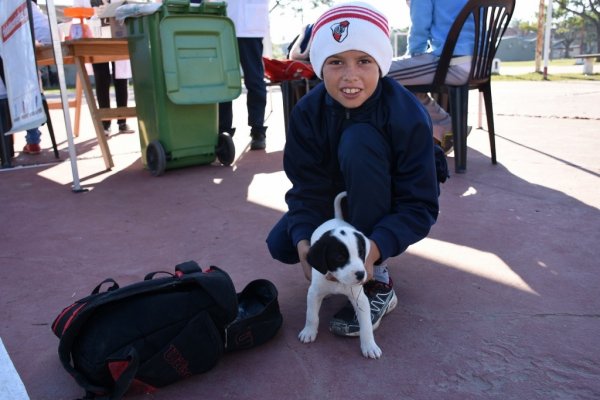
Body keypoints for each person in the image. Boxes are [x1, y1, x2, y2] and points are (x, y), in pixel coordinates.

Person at [266, 2, 439, 337]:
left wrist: (373, 250)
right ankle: (340, 251)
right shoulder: (306, 113)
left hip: (381, 196)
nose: (350, 75)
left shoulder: (407, 114)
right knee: (283, 243)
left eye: (364, 61)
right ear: (319, 66)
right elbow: (306, 187)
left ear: (381, 63)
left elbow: (419, 205)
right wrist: (304, 240)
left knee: (358, 140)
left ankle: (379, 281)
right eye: (335, 62)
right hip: (336, 197)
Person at [387, 0, 475, 153]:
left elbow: (419, 31)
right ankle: (446, 126)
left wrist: (412, 59)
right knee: (406, 81)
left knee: (378, 72)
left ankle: (445, 126)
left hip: (453, 63)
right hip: (479, 63)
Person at [218, 0, 269, 150]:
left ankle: (258, 130)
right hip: (223, 25)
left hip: (250, 28)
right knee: (224, 81)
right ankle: (223, 131)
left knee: (254, 80)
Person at [90, 0, 134, 136]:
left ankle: (122, 121)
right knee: (101, 78)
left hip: (118, 33)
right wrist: (93, 13)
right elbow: (76, 13)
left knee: (121, 79)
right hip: (96, 37)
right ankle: (105, 124)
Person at [22, 0, 52, 155]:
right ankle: (33, 139)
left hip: (27, 48)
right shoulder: (32, 6)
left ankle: (32, 139)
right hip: (42, 47)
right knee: (32, 86)